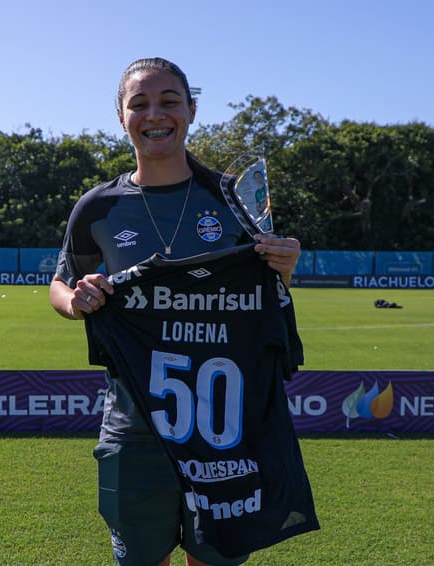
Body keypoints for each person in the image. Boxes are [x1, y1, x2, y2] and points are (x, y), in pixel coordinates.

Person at [49, 57, 302, 566]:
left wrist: (285, 265)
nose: (155, 114)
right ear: (121, 117)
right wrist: (77, 301)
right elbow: (60, 284)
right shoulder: (98, 206)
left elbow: (264, 296)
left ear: (191, 109)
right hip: (135, 426)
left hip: (226, 429)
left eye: (169, 101)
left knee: (215, 559)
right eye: (139, 104)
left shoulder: (234, 200)